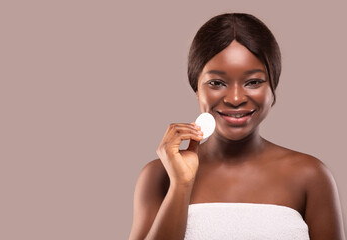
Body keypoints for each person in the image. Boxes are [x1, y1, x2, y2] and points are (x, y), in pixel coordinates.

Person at [128, 13, 346, 240]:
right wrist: (181, 185)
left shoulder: (310, 175)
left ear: (273, 88)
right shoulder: (159, 174)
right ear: (196, 88)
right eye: (216, 83)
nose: (234, 98)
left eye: (253, 82)